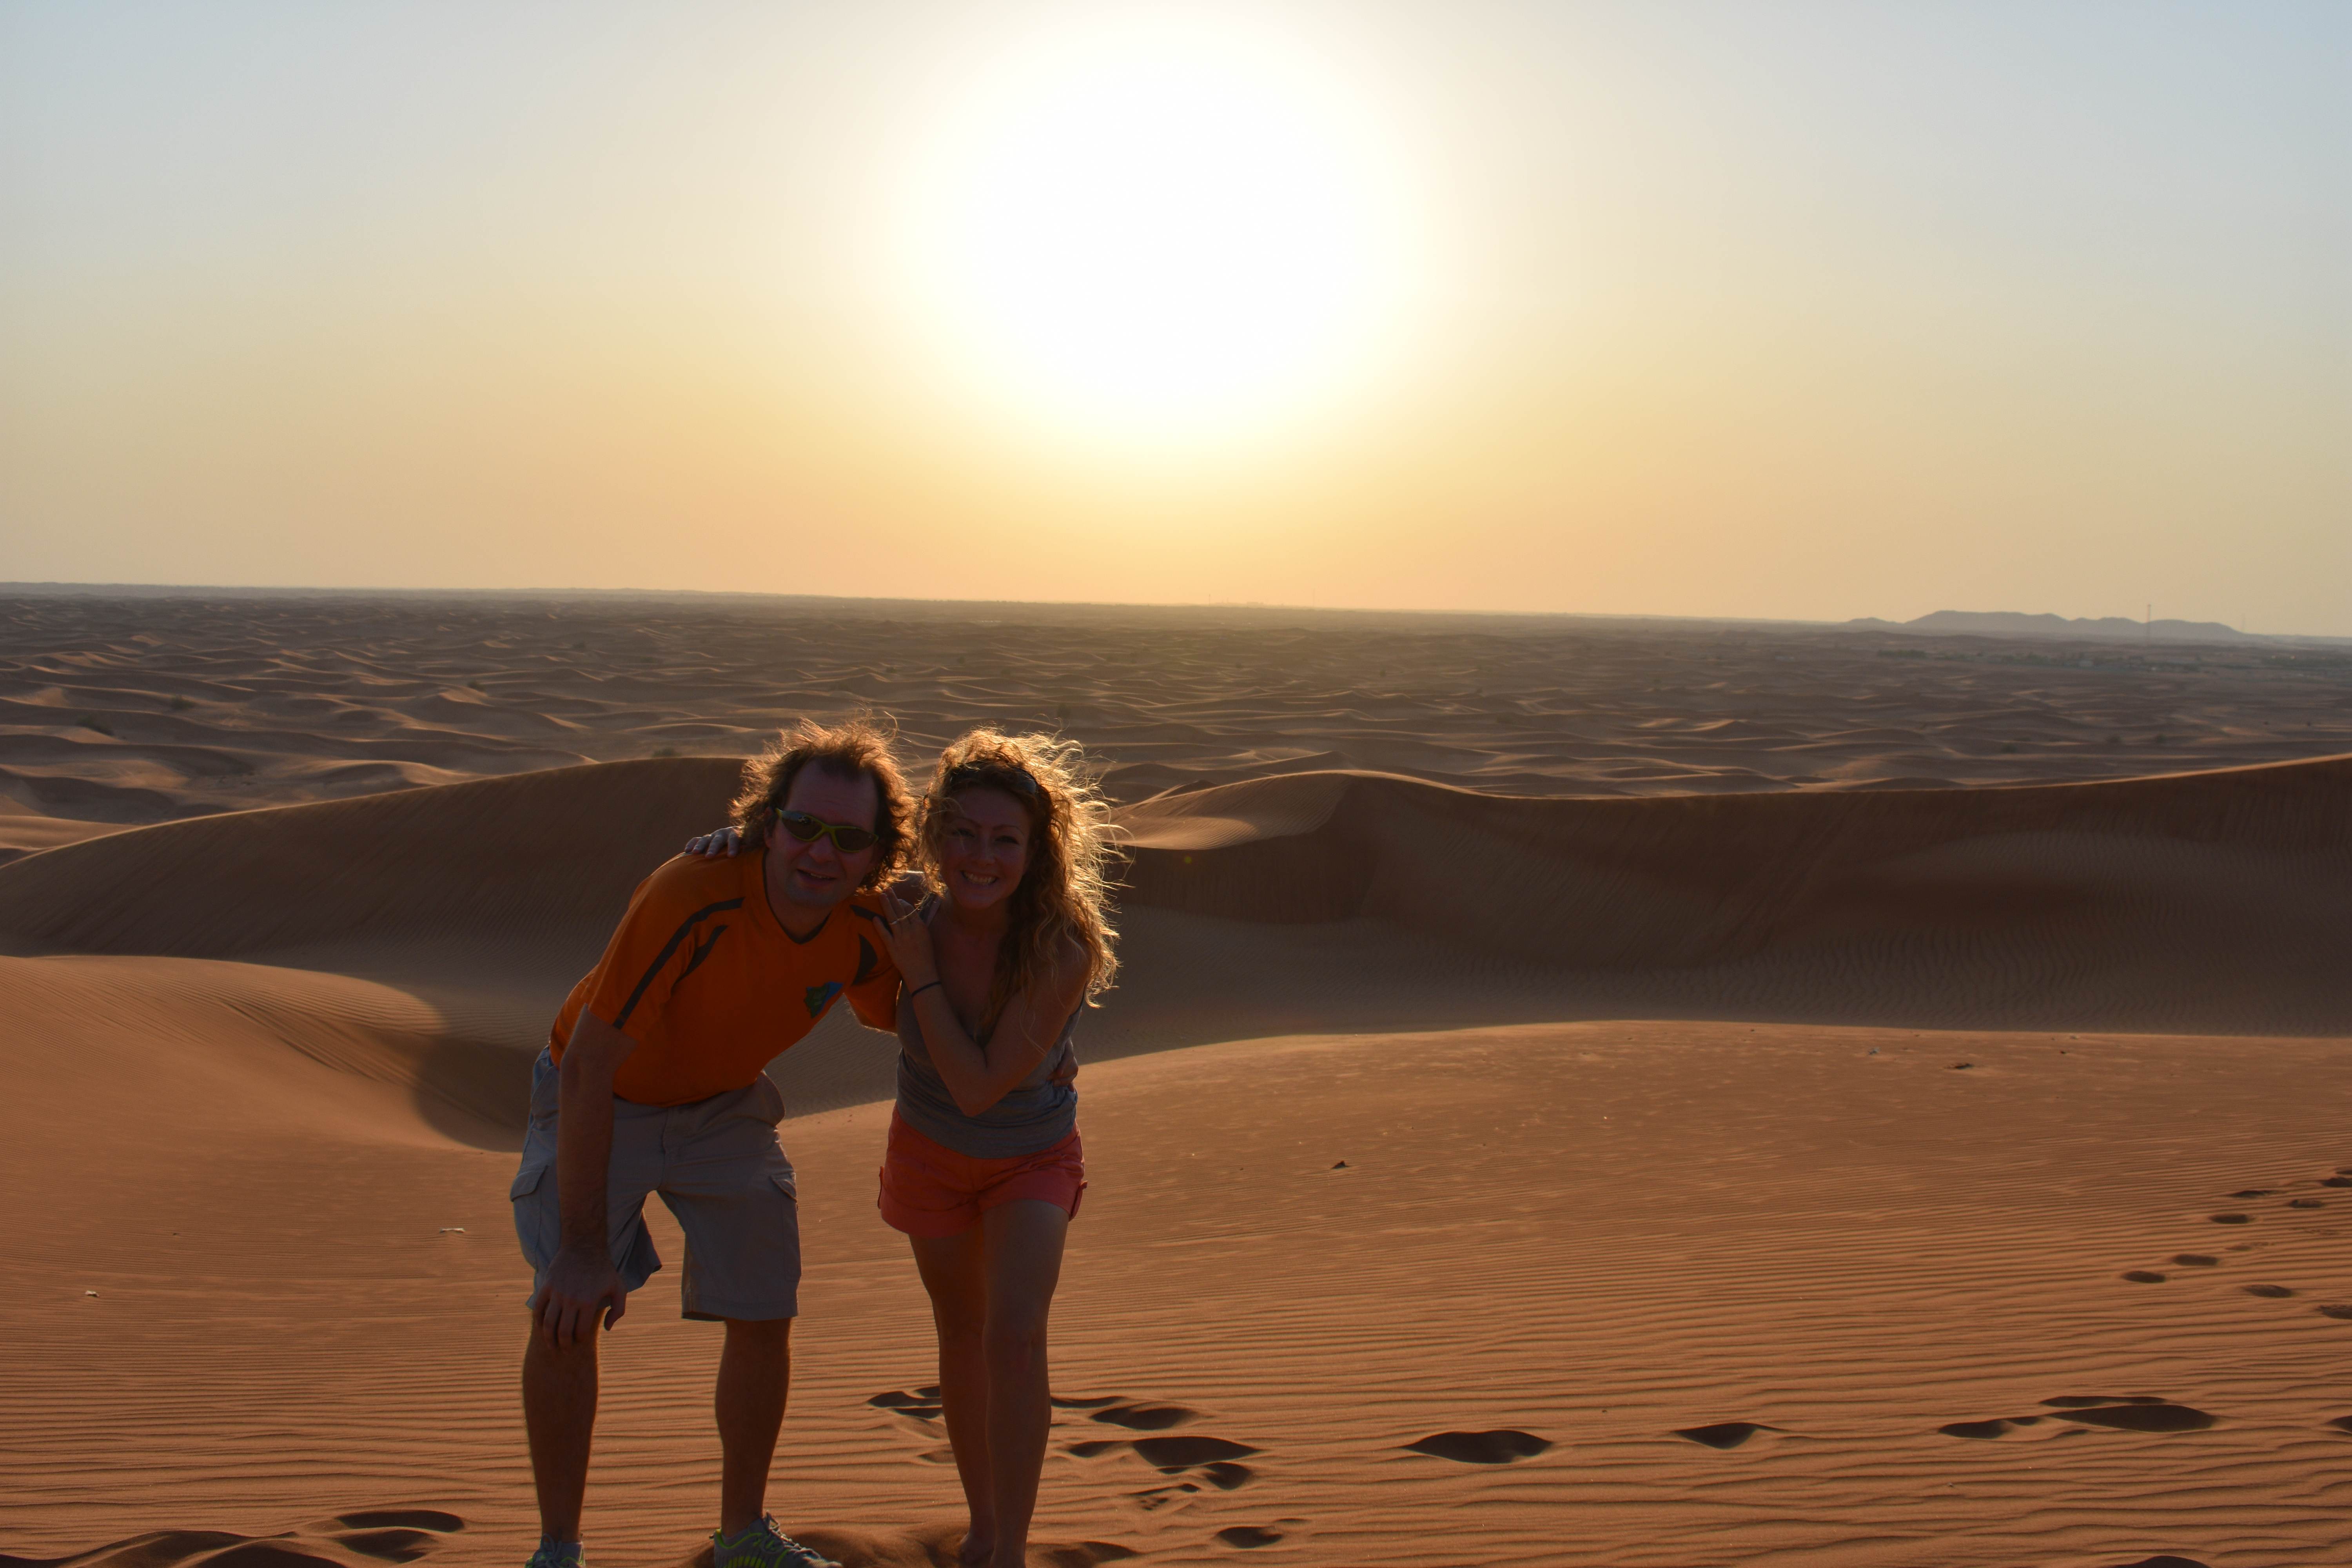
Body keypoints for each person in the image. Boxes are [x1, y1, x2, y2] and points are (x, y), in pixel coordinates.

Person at [688, 729, 1118, 1568]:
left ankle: (1007, 1550)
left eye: (1005, 840)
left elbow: (979, 1086)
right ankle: (983, 1522)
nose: (981, 857)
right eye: (964, 834)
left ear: (1037, 850)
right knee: (961, 1331)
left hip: (1031, 1153)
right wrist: (733, 844)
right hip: (929, 1152)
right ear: (933, 834)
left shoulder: (1061, 944)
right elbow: (809, 870)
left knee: (1015, 1337)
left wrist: (917, 971)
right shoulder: (903, 906)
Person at [515, 719, 911, 1568]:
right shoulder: (693, 894)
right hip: (603, 1097)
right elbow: (588, 1063)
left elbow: (908, 1010)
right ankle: (558, 1551)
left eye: (849, 839)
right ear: (769, 821)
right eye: (802, 825)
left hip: (722, 1106)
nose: (821, 852)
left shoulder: (868, 923)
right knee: (566, 1310)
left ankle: (743, 1537)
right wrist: (583, 1251)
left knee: (765, 1306)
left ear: (878, 854)